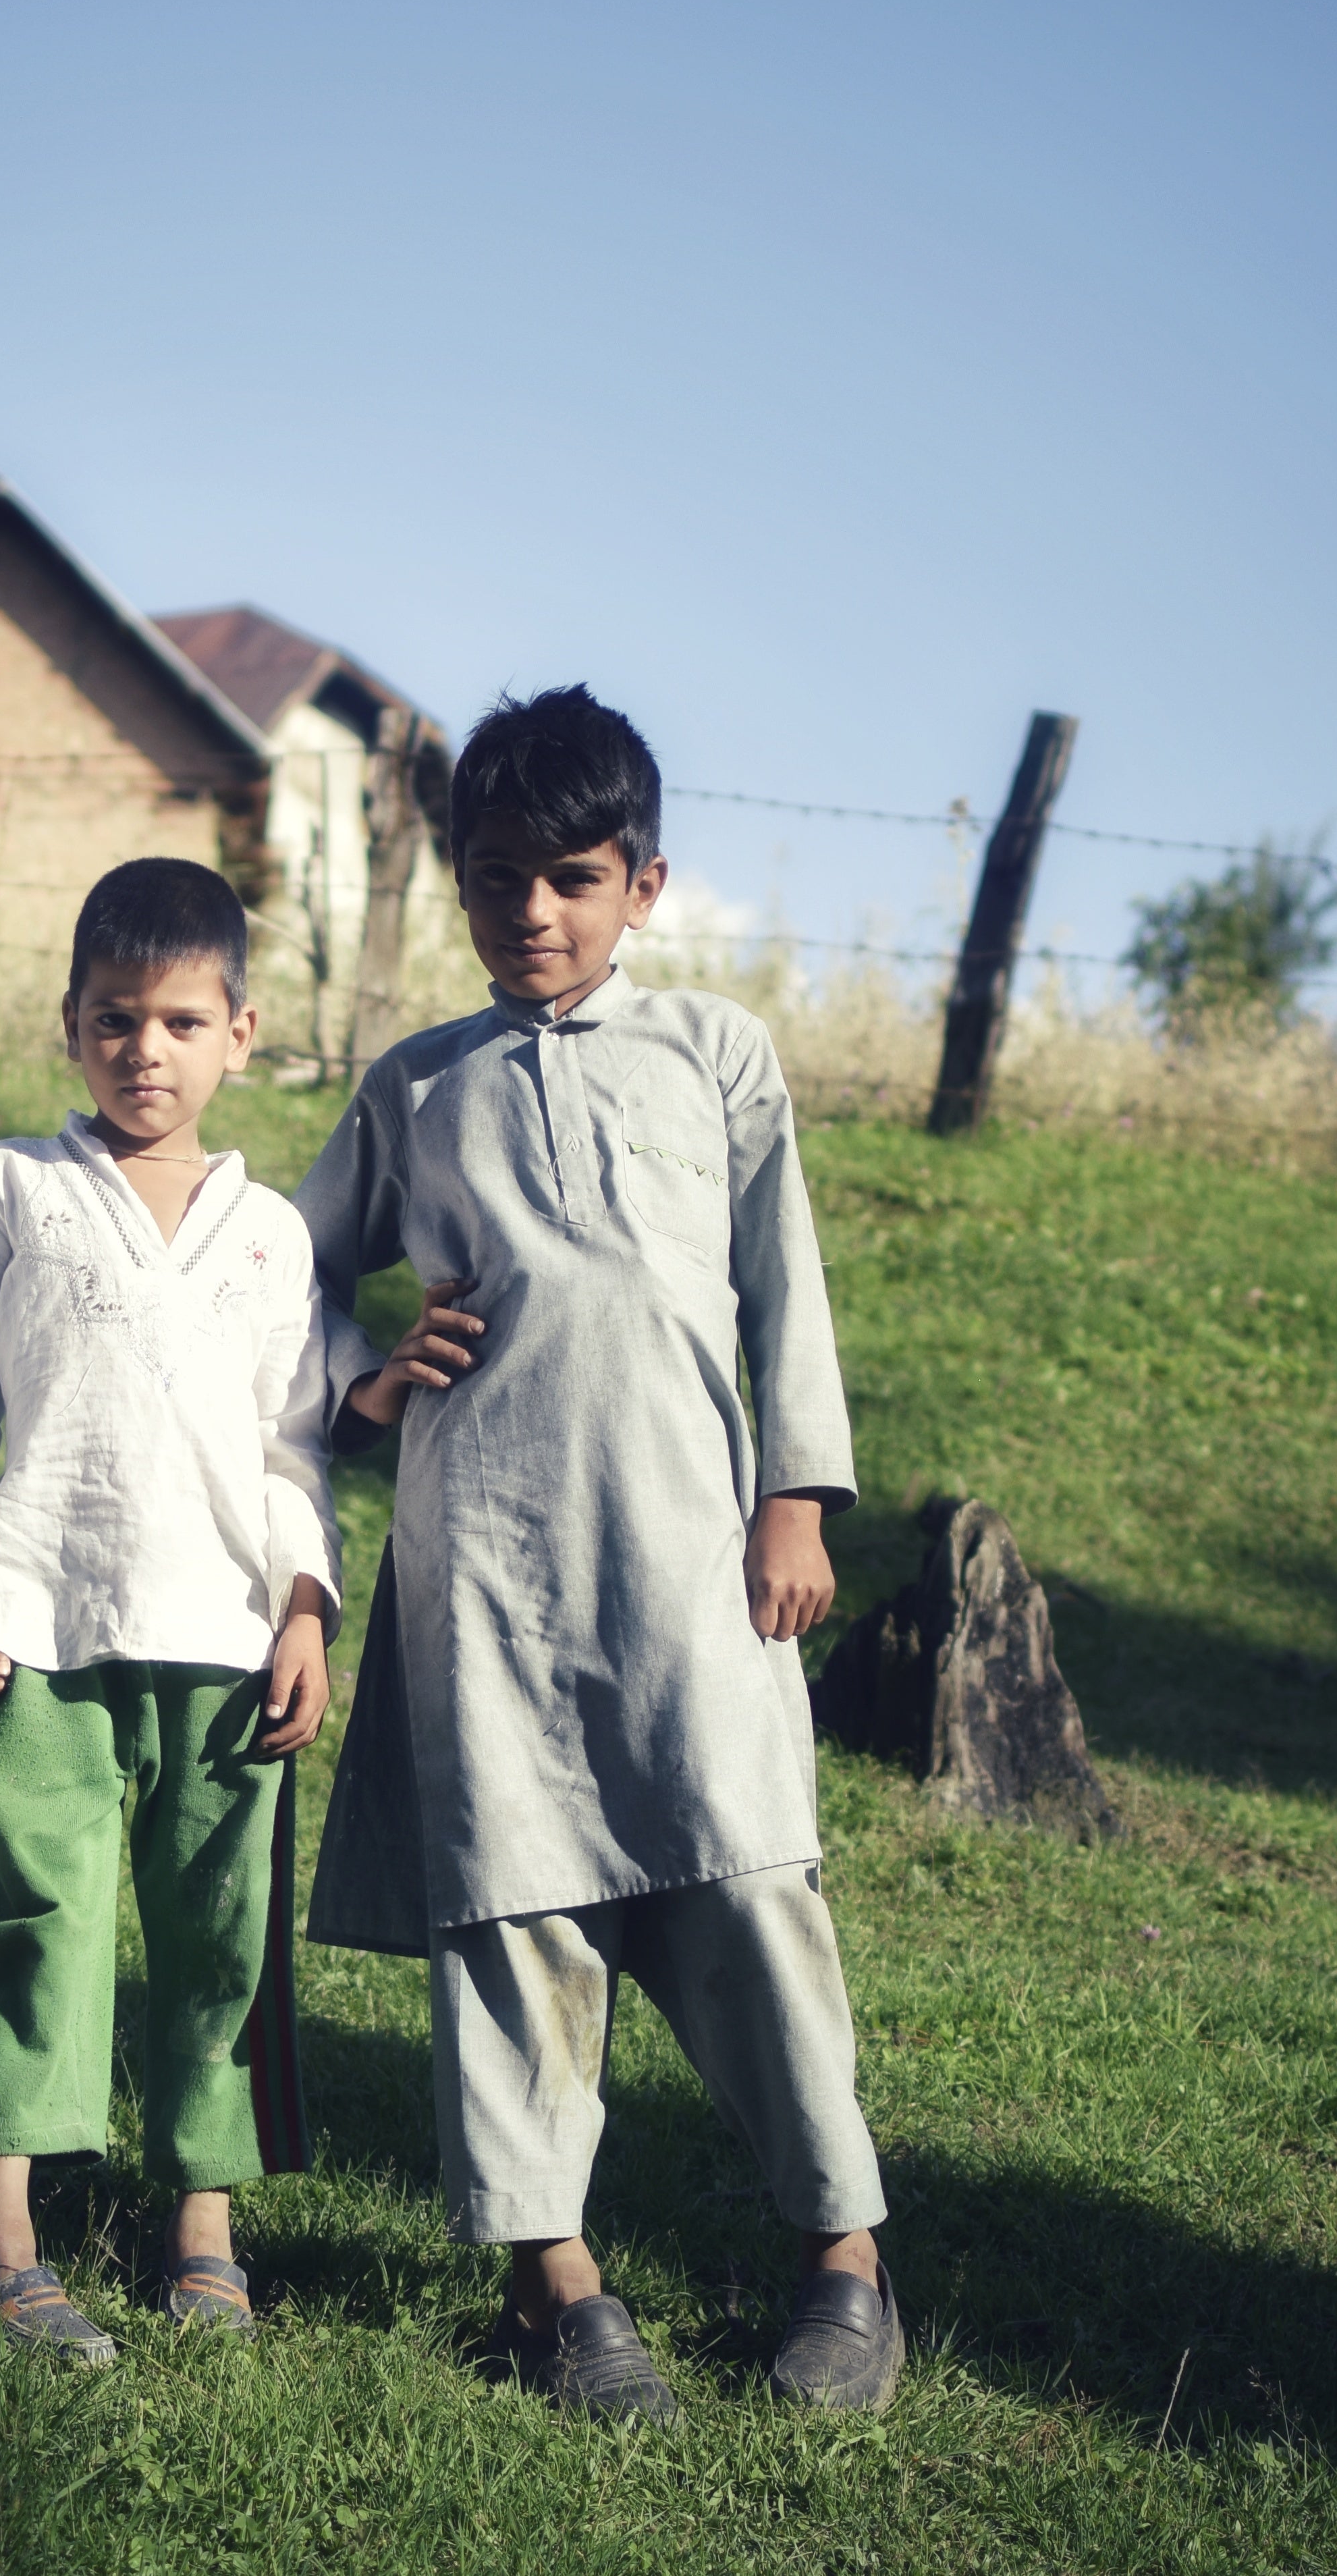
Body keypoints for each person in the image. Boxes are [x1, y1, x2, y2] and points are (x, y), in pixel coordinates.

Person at [293, 685, 900, 2419]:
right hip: (480, 1564)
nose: (533, 915)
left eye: (571, 877)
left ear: (643, 880)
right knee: (512, 1904)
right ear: (461, 886)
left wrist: (797, 1496)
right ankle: (557, 2291)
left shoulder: (718, 1051)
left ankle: (845, 2267)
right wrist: (363, 1374)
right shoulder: (415, 1087)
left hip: (694, 1555)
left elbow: (785, 1284)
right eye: (496, 881)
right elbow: (292, 1266)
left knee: (749, 1883)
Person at [0, 858, 339, 2363]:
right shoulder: (13, 1190)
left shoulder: (270, 1233)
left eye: (178, 1020)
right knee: (39, 1913)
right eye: (114, 1018)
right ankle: (1, 2231)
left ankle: (202, 2223)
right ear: (71, 1024)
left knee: (220, 1934)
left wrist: (306, 1605)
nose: (143, 1050)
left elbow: (297, 1441)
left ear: (241, 1031)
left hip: (229, 1638)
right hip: (49, 1610)